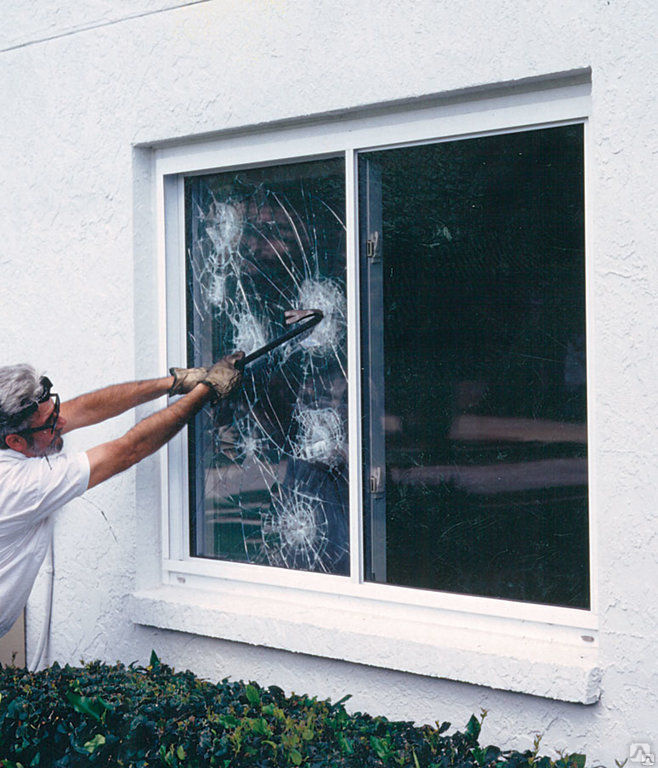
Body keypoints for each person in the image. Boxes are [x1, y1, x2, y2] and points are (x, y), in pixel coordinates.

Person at [0, 355, 244, 638]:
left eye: (55, 412)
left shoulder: (18, 435)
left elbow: (83, 408)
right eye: (51, 422)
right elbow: (129, 449)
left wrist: (175, 383)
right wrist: (207, 390)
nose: (63, 421)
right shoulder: (19, 485)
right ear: (15, 441)